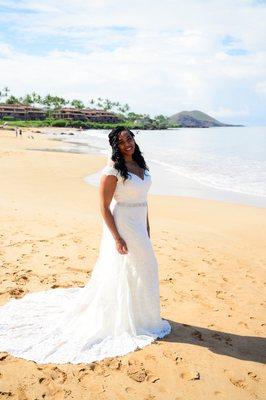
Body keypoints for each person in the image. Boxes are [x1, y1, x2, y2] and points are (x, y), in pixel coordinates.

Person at [0, 126, 171, 365]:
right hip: (124, 225)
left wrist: (148, 228)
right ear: (116, 146)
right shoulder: (112, 170)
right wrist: (117, 238)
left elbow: (144, 202)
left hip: (140, 223)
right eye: (121, 142)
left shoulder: (142, 165)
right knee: (132, 268)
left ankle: (144, 316)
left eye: (129, 138)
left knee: (145, 268)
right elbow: (103, 206)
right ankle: (130, 318)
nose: (127, 144)